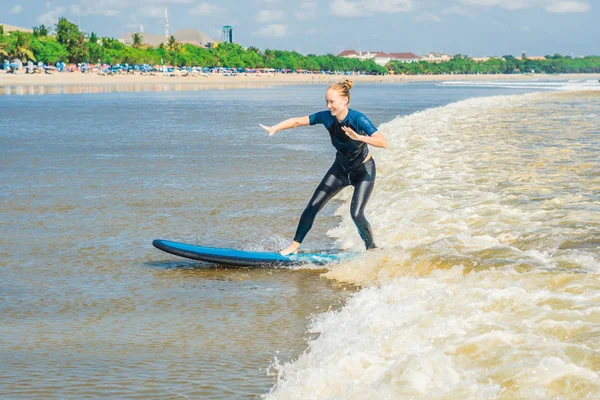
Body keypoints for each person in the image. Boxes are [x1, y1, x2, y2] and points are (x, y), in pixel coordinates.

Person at [260, 79, 388, 255]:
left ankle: (371, 249)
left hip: (363, 171)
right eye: (326, 101)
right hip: (341, 169)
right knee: (313, 205)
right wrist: (275, 128)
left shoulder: (358, 119)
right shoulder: (327, 117)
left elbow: (382, 142)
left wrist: (360, 137)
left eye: (332, 102)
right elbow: (298, 121)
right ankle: (293, 247)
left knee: (357, 214)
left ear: (345, 100)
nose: (329, 106)